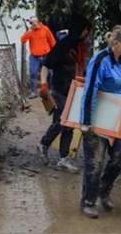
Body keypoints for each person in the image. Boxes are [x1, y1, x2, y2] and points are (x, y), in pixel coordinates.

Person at [79, 25, 121, 218]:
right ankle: (88, 202)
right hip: (96, 117)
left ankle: (104, 189)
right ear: (115, 43)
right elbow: (89, 90)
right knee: (94, 161)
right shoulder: (100, 60)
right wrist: (86, 122)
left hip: (115, 116)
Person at [37, 13, 92, 173]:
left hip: (76, 91)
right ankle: (43, 144)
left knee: (70, 127)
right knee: (60, 123)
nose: (85, 34)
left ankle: (63, 159)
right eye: (83, 30)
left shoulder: (82, 46)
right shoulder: (62, 46)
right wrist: (44, 85)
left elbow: (82, 68)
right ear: (76, 29)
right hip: (60, 90)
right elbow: (46, 65)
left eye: (87, 31)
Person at [20, 16, 56, 99]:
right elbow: (22, 40)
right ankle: (33, 92)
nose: (32, 24)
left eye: (33, 22)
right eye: (31, 23)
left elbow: (52, 41)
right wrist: (28, 32)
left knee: (50, 73)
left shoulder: (45, 29)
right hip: (34, 56)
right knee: (33, 73)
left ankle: (51, 90)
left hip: (46, 55)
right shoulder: (30, 31)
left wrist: (54, 53)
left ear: (37, 22)